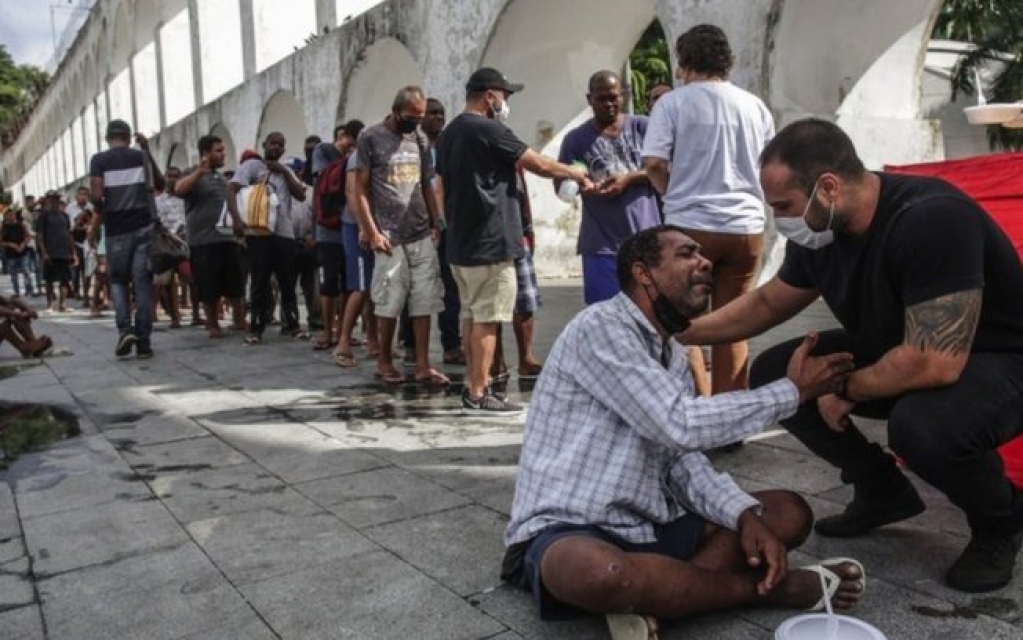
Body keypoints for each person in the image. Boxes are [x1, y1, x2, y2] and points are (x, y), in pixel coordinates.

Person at [685, 117, 1023, 594]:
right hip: (902, 347)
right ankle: (882, 491)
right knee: (775, 373)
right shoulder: (820, 230)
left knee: (922, 424)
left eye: (783, 206)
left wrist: (843, 387)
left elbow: (935, 361)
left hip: (998, 359)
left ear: (828, 187)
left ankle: (1000, 522)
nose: (779, 219)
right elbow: (765, 303)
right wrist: (678, 329)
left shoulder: (932, 218)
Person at [502, 226, 863, 637]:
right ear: (644, 274)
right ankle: (764, 590)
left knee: (787, 513)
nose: (706, 262)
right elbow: (679, 423)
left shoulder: (671, 354)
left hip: (651, 525)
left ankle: (662, 597)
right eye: (688, 254)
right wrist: (791, 393)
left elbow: (679, 458)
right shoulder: (600, 326)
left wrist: (742, 514)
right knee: (598, 573)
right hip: (572, 526)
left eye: (703, 256)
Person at [435, 67, 591, 413]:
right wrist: (574, 172)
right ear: (490, 96)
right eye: (504, 96)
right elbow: (537, 164)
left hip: (460, 243)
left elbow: (440, 187)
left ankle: (472, 387)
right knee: (488, 318)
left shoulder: (448, 134)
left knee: (473, 316)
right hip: (490, 243)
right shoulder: (490, 129)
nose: (506, 103)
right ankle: (479, 392)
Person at [643, 24, 775, 397]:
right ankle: (731, 411)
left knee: (685, 321)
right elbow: (771, 166)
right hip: (745, 227)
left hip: (690, 225)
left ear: (684, 62)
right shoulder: (754, 106)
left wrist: (674, 193)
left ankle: (700, 407)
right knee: (733, 323)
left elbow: (654, 163)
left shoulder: (673, 103)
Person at [352, 86, 448, 386]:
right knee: (389, 302)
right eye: (411, 116)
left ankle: (422, 364)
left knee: (424, 301)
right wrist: (371, 232)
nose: (417, 122)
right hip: (389, 235)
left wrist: (437, 223)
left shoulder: (418, 138)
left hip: (420, 232)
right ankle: (384, 360)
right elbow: (360, 190)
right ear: (396, 111)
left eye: (420, 117)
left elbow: (425, 184)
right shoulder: (370, 138)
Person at [558, 70, 661, 305]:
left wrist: (629, 179)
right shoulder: (576, 140)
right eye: (601, 98)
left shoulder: (643, 127)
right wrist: (580, 183)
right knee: (603, 315)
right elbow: (561, 185)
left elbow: (668, 170)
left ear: (622, 95)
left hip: (646, 240)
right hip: (601, 245)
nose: (609, 104)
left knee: (652, 312)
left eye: (613, 97)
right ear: (589, 99)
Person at [89, 120, 164, 359]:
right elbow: (160, 184)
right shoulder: (140, 156)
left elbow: (96, 196)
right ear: (129, 136)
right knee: (142, 283)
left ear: (108, 138)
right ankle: (144, 342)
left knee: (119, 281)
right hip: (143, 226)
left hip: (116, 230)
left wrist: (104, 207)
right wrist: (146, 151)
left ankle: (125, 331)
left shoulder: (99, 160)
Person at [228, 131, 307, 344]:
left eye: (280, 145)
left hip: (284, 233)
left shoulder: (286, 171)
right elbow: (232, 188)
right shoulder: (252, 167)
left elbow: (300, 194)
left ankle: (292, 325)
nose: (276, 147)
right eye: (272, 143)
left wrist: (284, 171)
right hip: (258, 233)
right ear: (264, 144)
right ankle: (255, 328)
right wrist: (236, 220)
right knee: (260, 281)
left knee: (287, 281)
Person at [175, 134, 248, 339]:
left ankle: (239, 320)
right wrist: (200, 171)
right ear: (206, 153)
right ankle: (212, 324)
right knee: (208, 285)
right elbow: (179, 190)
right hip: (204, 241)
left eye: (223, 150)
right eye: (219, 150)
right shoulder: (192, 173)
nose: (223, 154)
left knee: (236, 282)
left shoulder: (223, 178)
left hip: (228, 239)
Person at [310, 120, 361, 354]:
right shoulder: (323, 151)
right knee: (328, 283)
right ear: (343, 136)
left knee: (350, 284)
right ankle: (327, 330)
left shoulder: (356, 154)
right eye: (351, 141)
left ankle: (344, 332)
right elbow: (320, 179)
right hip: (327, 231)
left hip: (348, 229)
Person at [154, 166, 187, 328]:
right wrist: (168, 235)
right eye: (170, 176)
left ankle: (196, 314)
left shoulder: (186, 198)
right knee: (168, 282)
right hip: (166, 243)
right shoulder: (158, 201)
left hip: (185, 241)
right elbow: (156, 222)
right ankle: (175, 317)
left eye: (176, 175)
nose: (173, 179)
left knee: (190, 278)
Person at [36, 190, 76, 313]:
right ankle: (50, 304)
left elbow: (69, 234)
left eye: (56, 199)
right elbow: (40, 235)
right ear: (48, 200)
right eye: (52, 199)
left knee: (65, 279)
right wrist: (44, 252)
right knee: (49, 280)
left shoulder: (65, 216)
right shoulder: (44, 215)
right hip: (51, 252)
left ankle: (63, 304)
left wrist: (72, 251)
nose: (54, 201)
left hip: (64, 251)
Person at [1, 207, 35, 299]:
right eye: (8, 216)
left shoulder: (20, 225)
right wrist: (10, 244)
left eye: (12, 215)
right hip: (10, 254)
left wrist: (23, 245)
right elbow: (1, 241)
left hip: (23, 252)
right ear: (6, 217)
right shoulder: (4, 227)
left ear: (15, 216)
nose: (10, 217)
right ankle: (17, 292)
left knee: (26, 271)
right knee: (13, 275)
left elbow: (28, 236)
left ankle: (29, 290)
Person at [65, 186, 92, 300]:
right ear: (76, 196)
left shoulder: (92, 207)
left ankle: (86, 293)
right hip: (75, 241)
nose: (83, 196)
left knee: (88, 270)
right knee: (76, 269)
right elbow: (70, 227)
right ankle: (76, 291)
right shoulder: (70, 208)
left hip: (89, 242)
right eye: (80, 194)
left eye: (85, 194)